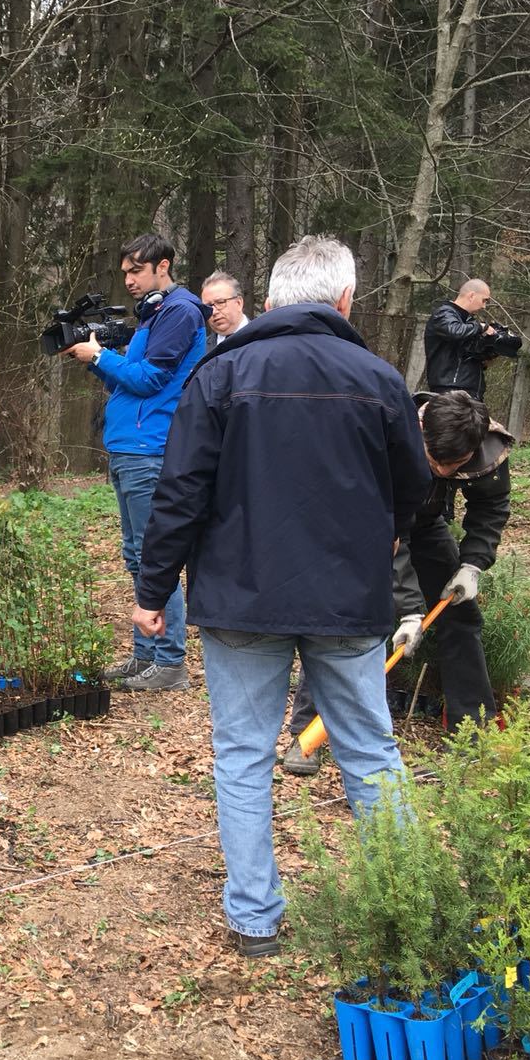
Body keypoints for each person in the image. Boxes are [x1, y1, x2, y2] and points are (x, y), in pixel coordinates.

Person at [132, 234, 431, 957]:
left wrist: (152, 587)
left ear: (268, 303)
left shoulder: (222, 375)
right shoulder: (379, 378)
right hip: (344, 599)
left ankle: (254, 919)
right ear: (344, 301)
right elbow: (415, 489)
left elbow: (179, 493)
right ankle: (408, 913)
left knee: (241, 755)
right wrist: (380, 541)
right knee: (370, 751)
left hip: (242, 599)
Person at [280, 390, 511, 773]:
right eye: (436, 461)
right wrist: (408, 611)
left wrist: (473, 564)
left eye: (456, 464)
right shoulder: (385, 433)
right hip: (370, 525)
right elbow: (390, 538)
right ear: (420, 430)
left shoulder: (489, 446)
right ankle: (306, 733)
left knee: (461, 616)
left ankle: (473, 735)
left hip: (427, 521)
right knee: (344, 616)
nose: (445, 472)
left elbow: (491, 505)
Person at [61, 233, 206, 691]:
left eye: (136, 271)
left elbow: (150, 379)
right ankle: (146, 654)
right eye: (125, 272)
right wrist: (94, 360)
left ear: (163, 266)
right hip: (128, 447)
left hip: (151, 448)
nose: (128, 280)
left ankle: (169, 662)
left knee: (153, 554)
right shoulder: (153, 314)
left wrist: (101, 354)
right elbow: (127, 383)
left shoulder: (180, 311)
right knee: (136, 557)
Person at [424, 278, 499, 399]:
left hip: (470, 390)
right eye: (484, 300)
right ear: (471, 296)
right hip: (450, 389)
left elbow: (468, 352)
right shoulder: (444, 313)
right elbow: (455, 331)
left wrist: (491, 350)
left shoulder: (468, 321)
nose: (484, 306)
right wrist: (481, 327)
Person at [200, 271, 249, 346]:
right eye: (208, 306)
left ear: (239, 303)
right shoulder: (201, 350)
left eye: (220, 302)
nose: (214, 312)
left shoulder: (262, 340)